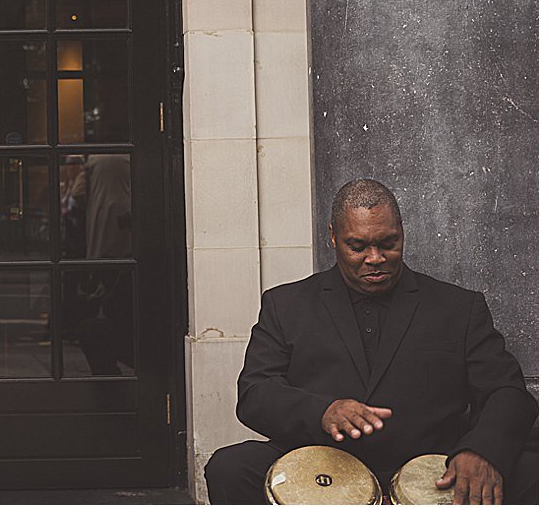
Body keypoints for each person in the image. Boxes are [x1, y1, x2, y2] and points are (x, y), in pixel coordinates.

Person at [204, 178, 537, 505]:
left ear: (402, 232)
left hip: (430, 465)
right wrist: (322, 411)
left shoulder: (459, 307)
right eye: (358, 246)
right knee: (230, 468)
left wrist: (481, 451)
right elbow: (255, 393)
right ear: (333, 237)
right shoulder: (286, 304)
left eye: (388, 243)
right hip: (321, 464)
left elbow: (507, 392)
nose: (375, 258)